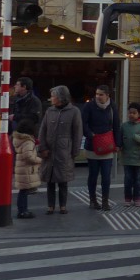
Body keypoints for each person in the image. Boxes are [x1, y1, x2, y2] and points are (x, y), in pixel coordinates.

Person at [38, 85, 81, 215]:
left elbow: (77, 132)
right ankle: (50, 206)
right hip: (49, 150)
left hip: (64, 151)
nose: (51, 98)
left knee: (63, 180)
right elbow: (42, 130)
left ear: (60, 97)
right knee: (49, 180)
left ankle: (63, 205)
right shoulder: (49, 111)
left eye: (53, 96)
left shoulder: (74, 111)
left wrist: (75, 151)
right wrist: (42, 147)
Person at [82, 83, 122, 211]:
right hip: (93, 144)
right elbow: (83, 123)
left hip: (107, 144)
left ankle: (105, 201)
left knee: (106, 175)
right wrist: (90, 135)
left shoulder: (112, 106)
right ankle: (93, 200)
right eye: (97, 94)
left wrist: (118, 143)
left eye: (101, 94)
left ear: (107, 95)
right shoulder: (89, 106)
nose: (98, 96)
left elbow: (116, 125)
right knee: (93, 174)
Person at [119, 102, 140, 207]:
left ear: (139, 114)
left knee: (137, 180)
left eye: (134, 113)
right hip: (127, 158)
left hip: (139, 158)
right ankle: (128, 199)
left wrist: (137, 138)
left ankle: (137, 198)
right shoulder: (124, 126)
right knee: (128, 179)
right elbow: (119, 139)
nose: (131, 115)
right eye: (130, 113)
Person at [11, 116, 41, 218]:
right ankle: (23, 211)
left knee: (23, 191)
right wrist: (39, 160)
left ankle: (22, 210)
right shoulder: (28, 141)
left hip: (21, 168)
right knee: (24, 191)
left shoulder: (18, 139)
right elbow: (29, 157)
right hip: (26, 169)